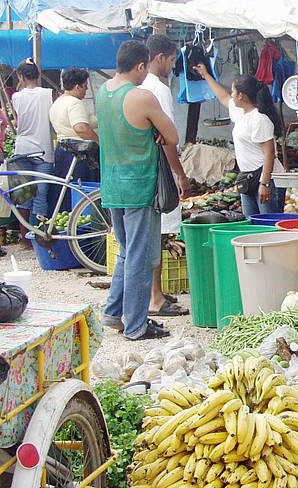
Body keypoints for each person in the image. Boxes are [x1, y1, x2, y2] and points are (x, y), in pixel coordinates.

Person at [97, 40, 189, 341]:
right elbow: (172, 135)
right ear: (140, 66)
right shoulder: (142, 96)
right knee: (138, 256)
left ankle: (112, 313)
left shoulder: (103, 92)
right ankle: (136, 325)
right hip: (138, 186)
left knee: (127, 252)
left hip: (112, 185)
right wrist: (158, 133)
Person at [139, 34, 189, 318]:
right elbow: (168, 138)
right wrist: (179, 174)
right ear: (160, 57)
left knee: (149, 234)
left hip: (142, 169)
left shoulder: (137, 85)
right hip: (159, 169)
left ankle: (152, 293)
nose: (172, 66)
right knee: (158, 233)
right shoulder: (158, 88)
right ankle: (155, 298)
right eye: (171, 60)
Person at [194, 65, 286, 216]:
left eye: (234, 91)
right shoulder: (240, 113)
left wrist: (265, 183)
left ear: (242, 95)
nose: (232, 95)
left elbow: (269, 154)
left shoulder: (259, 119)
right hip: (248, 179)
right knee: (251, 226)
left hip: (267, 179)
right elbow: (222, 96)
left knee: (268, 228)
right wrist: (206, 75)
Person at [11, 58, 54, 247]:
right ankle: (38, 238)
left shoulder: (16, 97)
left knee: (23, 195)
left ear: (21, 76)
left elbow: (17, 119)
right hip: (43, 149)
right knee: (41, 195)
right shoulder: (49, 94)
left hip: (22, 148)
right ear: (38, 75)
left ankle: (24, 239)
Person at [49, 68, 100, 209]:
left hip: (62, 151)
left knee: (65, 190)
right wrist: (99, 142)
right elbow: (81, 128)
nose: (86, 90)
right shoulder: (74, 103)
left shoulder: (58, 102)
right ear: (77, 86)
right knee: (81, 190)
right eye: (85, 86)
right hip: (78, 153)